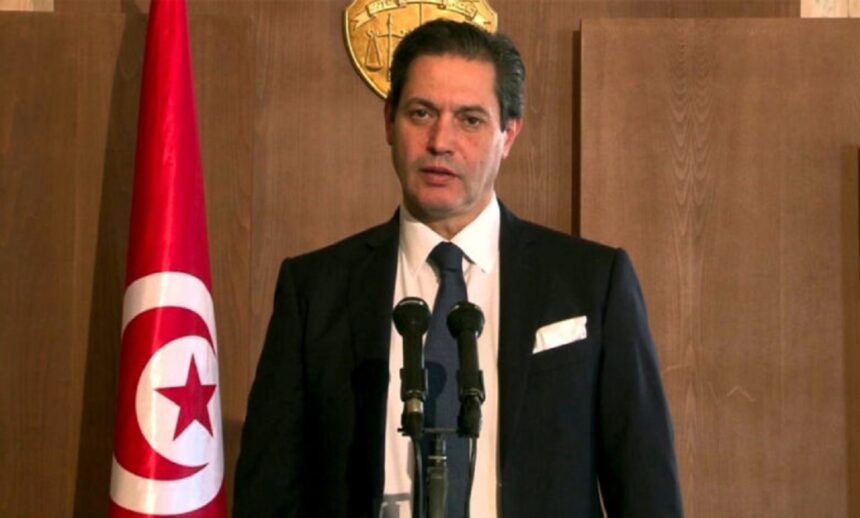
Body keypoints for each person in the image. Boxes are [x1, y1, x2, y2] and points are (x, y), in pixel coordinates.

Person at [234, 19, 683, 518]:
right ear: (389, 121)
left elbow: (646, 492)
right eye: (421, 113)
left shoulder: (592, 282)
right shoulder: (315, 289)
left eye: (470, 120)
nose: (440, 141)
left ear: (508, 134)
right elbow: (267, 495)